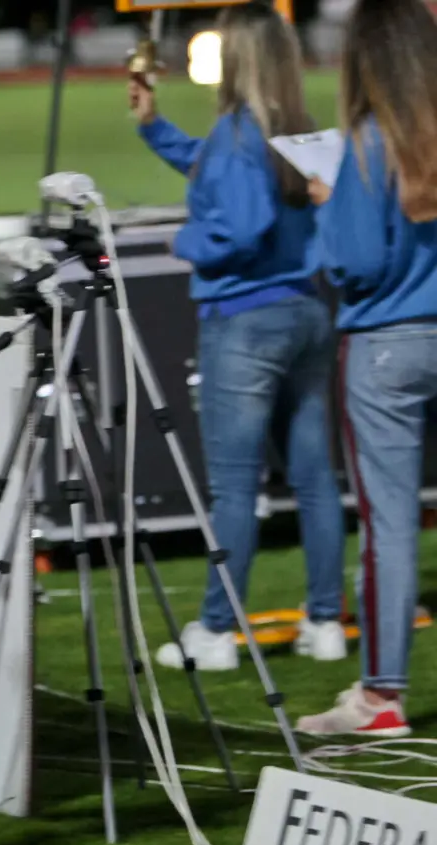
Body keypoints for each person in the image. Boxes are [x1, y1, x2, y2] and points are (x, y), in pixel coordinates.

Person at [129, 0, 348, 672]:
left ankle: (217, 632)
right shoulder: (294, 127)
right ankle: (325, 622)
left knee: (233, 487)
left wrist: (187, 238)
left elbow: (237, 221)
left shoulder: (234, 131)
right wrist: (154, 129)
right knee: (314, 480)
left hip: (245, 321)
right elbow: (218, 171)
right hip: (307, 314)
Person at [295, 0, 437, 739]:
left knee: (389, 525)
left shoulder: (367, 144)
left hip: (386, 345)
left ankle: (383, 692)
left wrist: (328, 206)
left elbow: (355, 262)